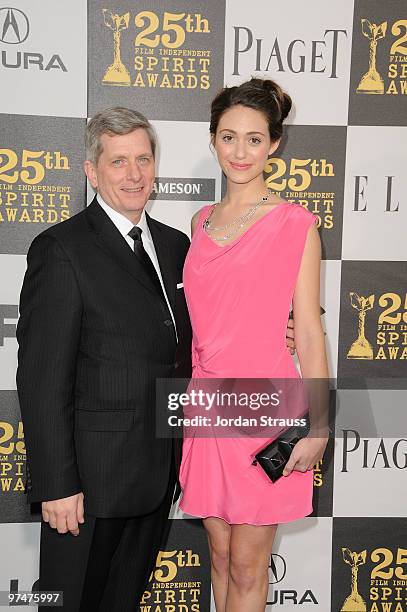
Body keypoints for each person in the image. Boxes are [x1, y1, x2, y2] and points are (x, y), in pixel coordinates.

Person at [16, 107, 192, 611]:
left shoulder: (177, 246)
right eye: (119, 162)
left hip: (157, 475)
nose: (134, 174)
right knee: (65, 603)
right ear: (92, 171)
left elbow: (193, 342)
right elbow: (42, 378)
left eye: (143, 159)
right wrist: (57, 484)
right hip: (86, 488)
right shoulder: (61, 249)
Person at [178, 78, 329, 611]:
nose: (240, 152)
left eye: (254, 139)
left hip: (267, 409)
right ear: (213, 140)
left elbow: (308, 329)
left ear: (275, 145)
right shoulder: (198, 222)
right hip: (209, 409)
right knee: (218, 558)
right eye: (228, 137)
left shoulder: (295, 225)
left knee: (247, 566)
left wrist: (320, 424)